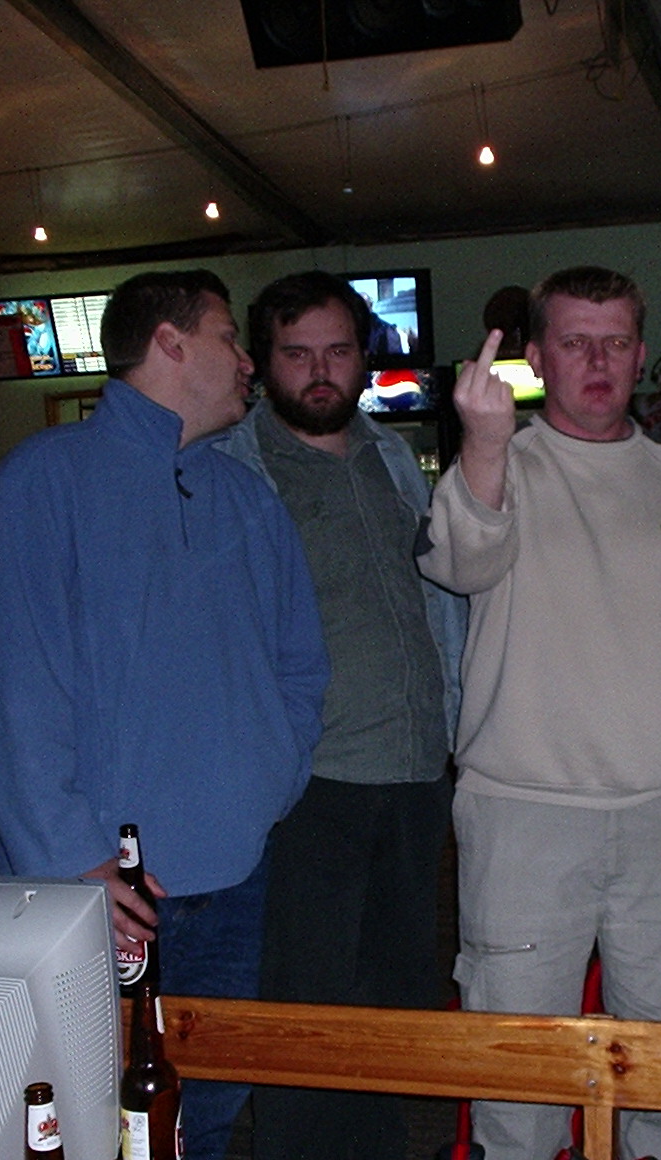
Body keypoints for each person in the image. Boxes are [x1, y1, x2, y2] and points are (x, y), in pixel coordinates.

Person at [0, 269, 329, 1160]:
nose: (248, 361)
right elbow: (10, 690)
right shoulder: (42, 482)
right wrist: (72, 860)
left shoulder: (248, 500)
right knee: (87, 1113)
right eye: (229, 337)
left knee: (206, 1112)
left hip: (234, 875)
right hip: (98, 888)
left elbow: (300, 667)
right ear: (170, 343)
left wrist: (266, 786)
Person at [417, 265, 661, 1160]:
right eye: (575, 342)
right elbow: (460, 559)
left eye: (616, 342)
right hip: (524, 818)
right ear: (536, 359)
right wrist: (484, 441)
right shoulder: (500, 466)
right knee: (519, 1070)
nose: (598, 361)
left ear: (641, 356)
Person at [217, 270, 465, 1160]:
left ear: (365, 356)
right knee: (307, 1009)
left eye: (337, 351)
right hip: (309, 784)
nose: (320, 371)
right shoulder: (228, 471)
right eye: (298, 354)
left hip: (415, 772)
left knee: (392, 1002)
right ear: (262, 362)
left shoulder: (392, 457)